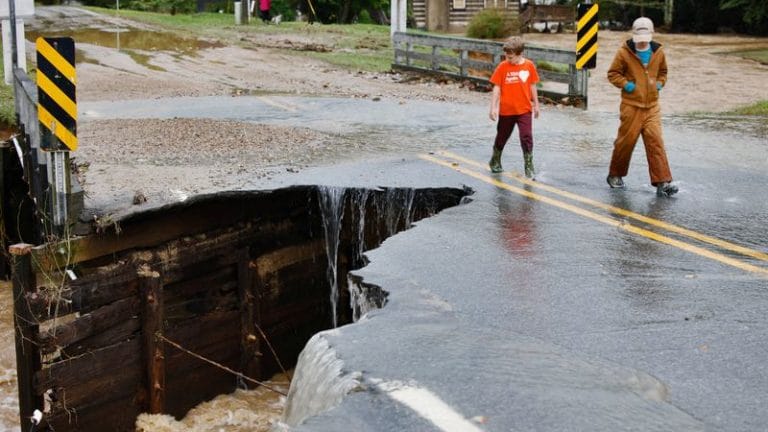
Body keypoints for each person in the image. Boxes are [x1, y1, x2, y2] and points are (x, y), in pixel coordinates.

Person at [606, 17, 678, 197]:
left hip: (652, 106)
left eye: (646, 37)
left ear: (651, 35)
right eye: (640, 37)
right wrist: (627, 85)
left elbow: (663, 72)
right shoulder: (624, 52)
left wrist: (660, 84)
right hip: (631, 106)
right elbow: (613, 74)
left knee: (656, 142)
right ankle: (615, 175)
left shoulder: (659, 52)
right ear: (634, 35)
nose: (643, 41)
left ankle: (663, 183)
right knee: (626, 143)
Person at [488, 37, 541, 178]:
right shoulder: (502, 67)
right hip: (507, 110)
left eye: (510, 57)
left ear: (520, 53)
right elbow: (497, 88)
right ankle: (495, 159)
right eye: (506, 56)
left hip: (524, 110)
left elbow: (532, 85)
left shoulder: (529, 66)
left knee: (526, 136)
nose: (508, 59)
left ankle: (529, 165)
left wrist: (536, 104)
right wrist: (493, 107)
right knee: (502, 137)